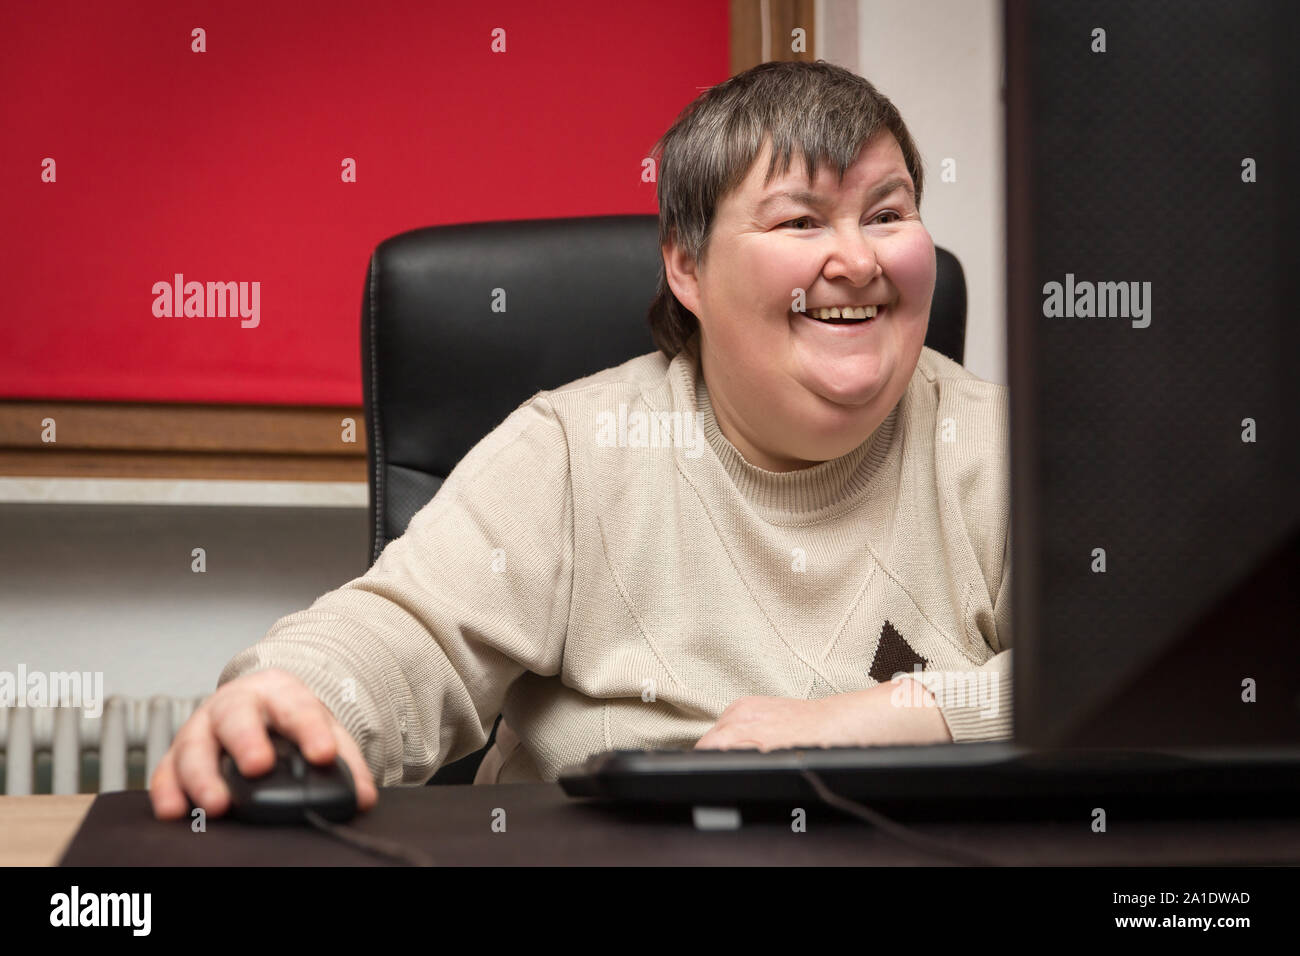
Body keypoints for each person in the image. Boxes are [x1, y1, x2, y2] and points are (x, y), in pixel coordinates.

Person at [150, 59, 1011, 821]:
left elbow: (1130, 691)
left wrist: (870, 721)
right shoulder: (572, 451)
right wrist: (293, 701)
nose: (858, 261)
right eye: (800, 222)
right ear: (687, 266)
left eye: (887, 213)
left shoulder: (1004, 448)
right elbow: (399, 637)